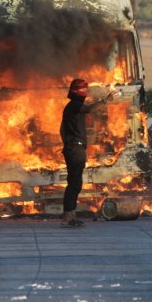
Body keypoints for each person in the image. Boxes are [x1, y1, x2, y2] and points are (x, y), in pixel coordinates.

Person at [60, 78, 113, 227]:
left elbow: (62, 130)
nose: (87, 92)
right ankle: (68, 217)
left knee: (75, 183)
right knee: (75, 183)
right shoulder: (74, 105)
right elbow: (89, 109)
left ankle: (70, 216)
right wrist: (105, 101)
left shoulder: (71, 107)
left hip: (75, 147)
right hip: (75, 149)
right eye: (85, 89)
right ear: (79, 91)